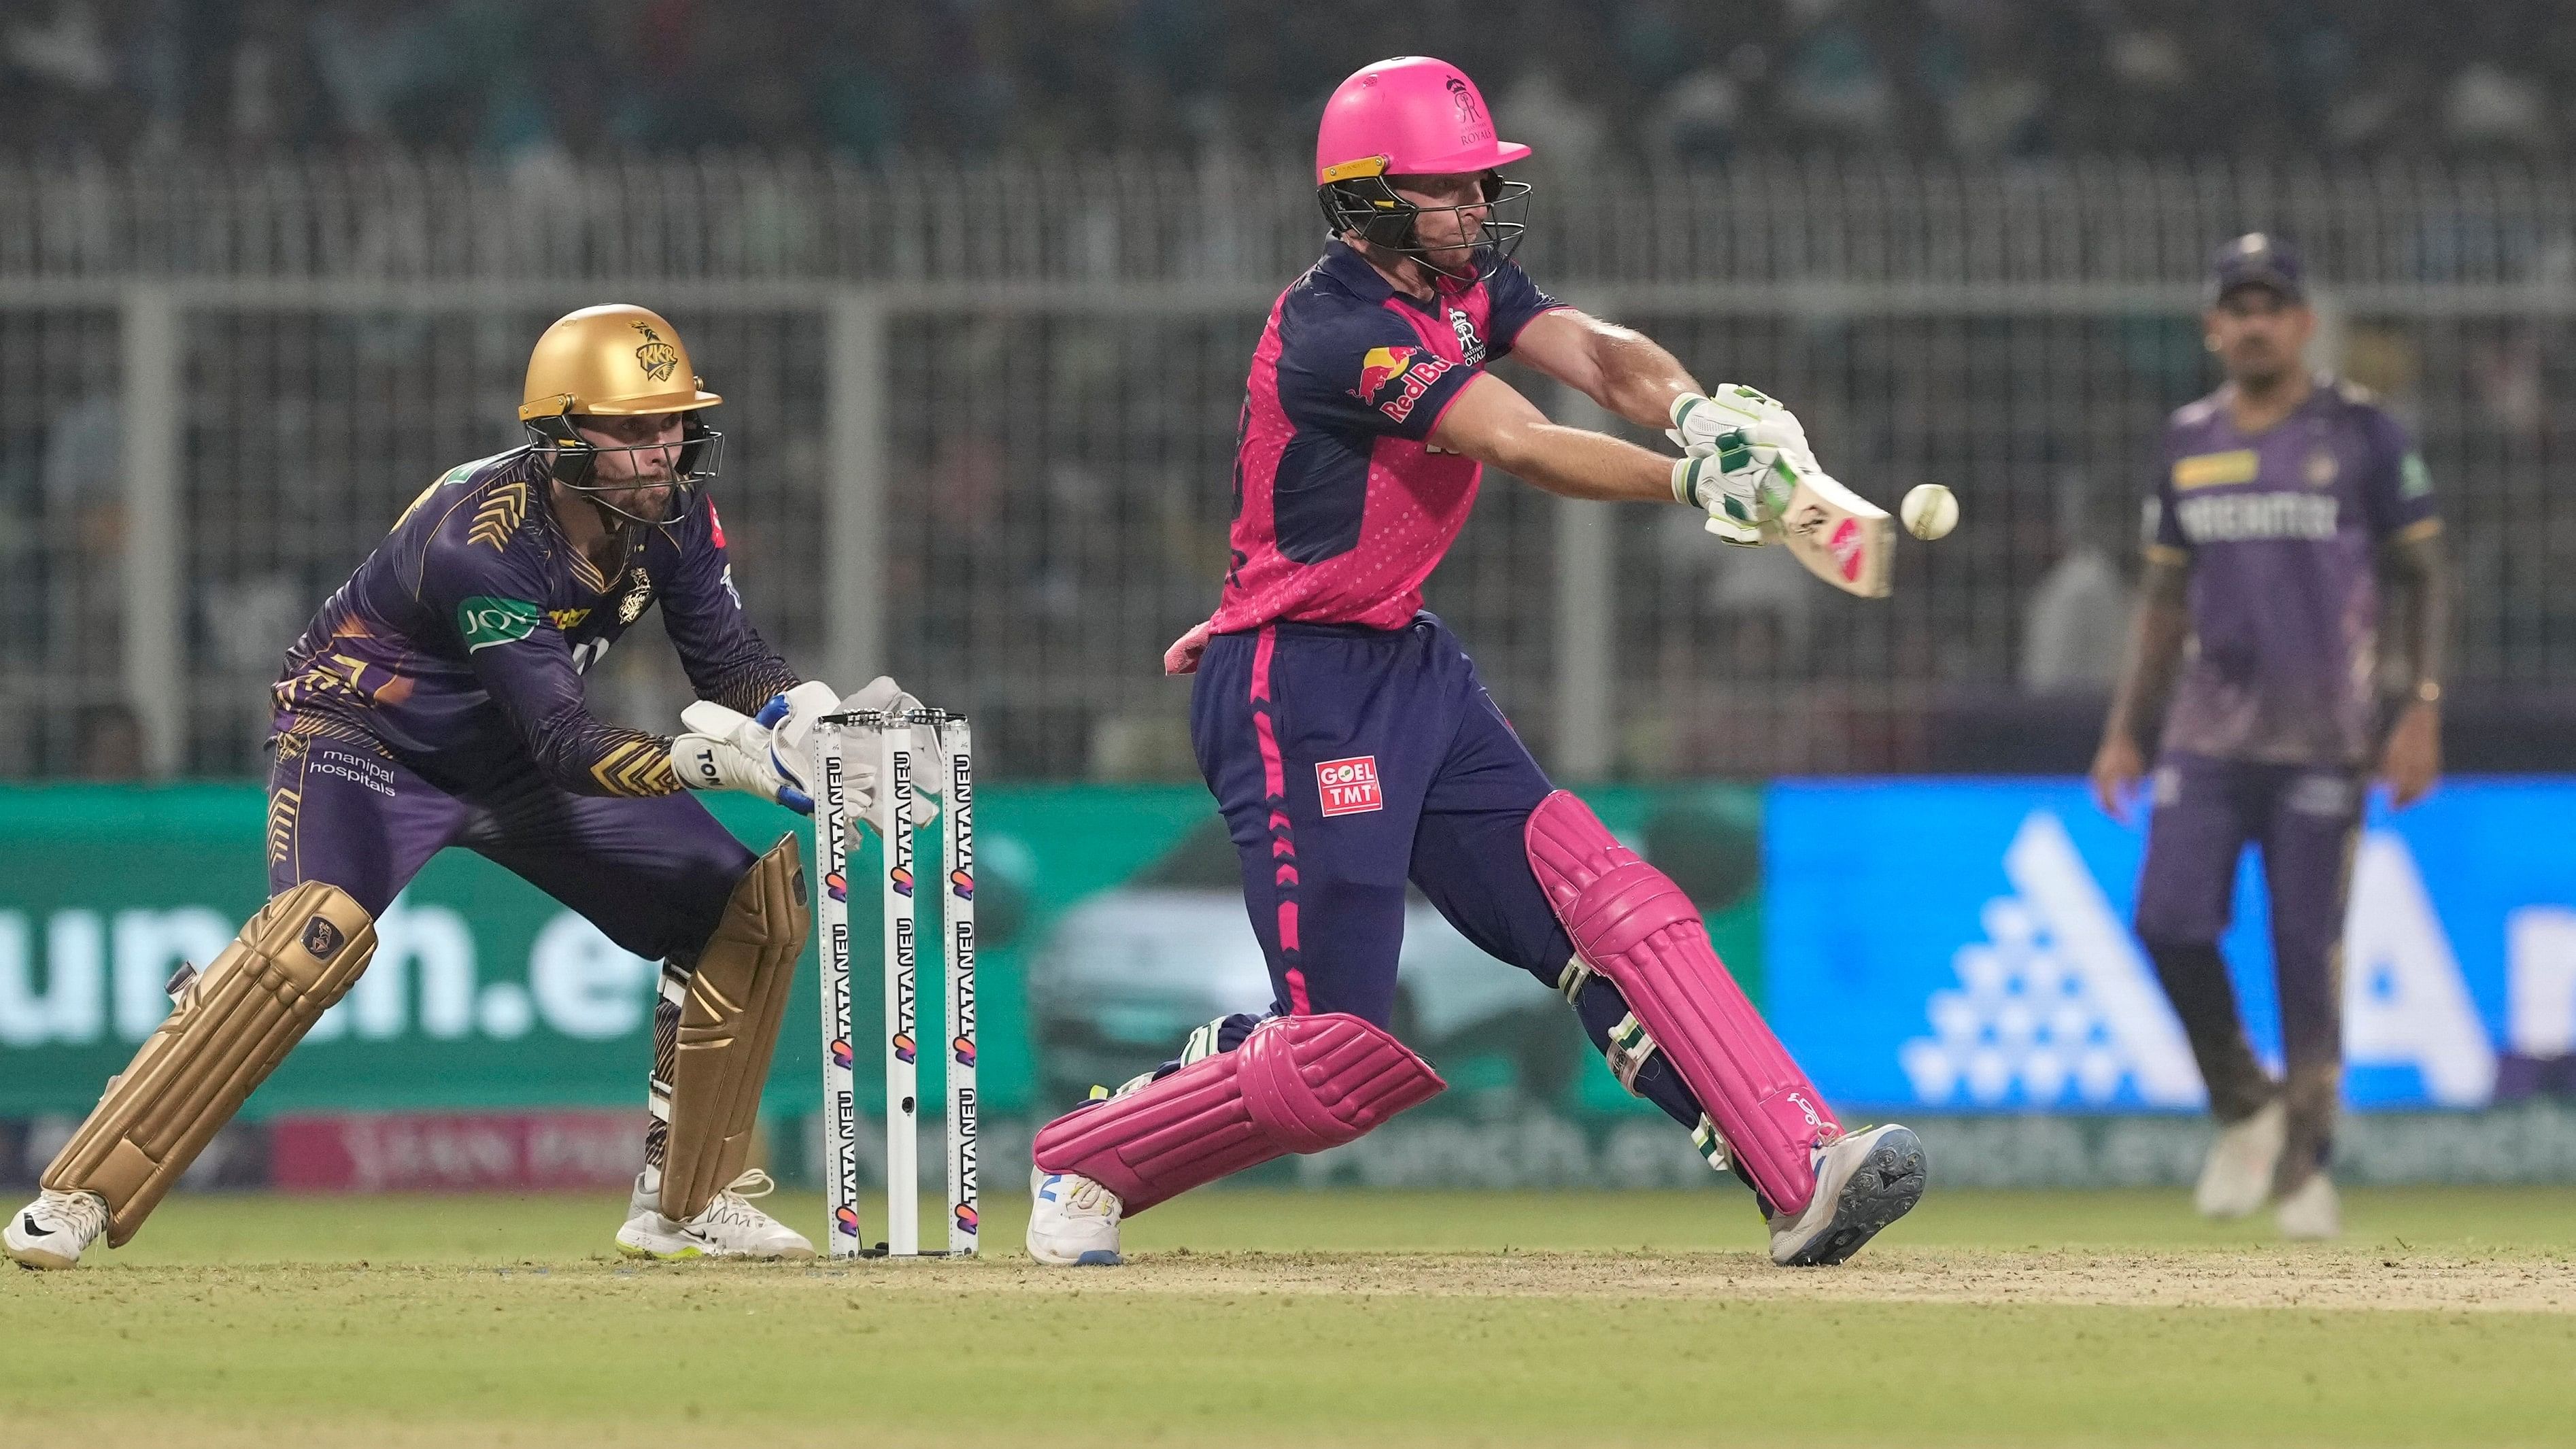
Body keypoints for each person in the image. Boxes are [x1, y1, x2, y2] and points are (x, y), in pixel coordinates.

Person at [1023, 56, 1925, 1269]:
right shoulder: (1341, 329)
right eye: (1451, 190)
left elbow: (1601, 358)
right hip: (1300, 688)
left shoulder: (1466, 283)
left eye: (1480, 185)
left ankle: (1800, 1171)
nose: (1479, 211)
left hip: (1407, 667)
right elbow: (1528, 443)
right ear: (1372, 201)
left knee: (1615, 906)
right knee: (1335, 1051)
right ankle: (1091, 1153)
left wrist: (1699, 415)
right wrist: (1693, 484)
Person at [6, 305, 919, 1269]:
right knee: (309, 942)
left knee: (746, 909)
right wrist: (726, 763)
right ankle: (78, 1194)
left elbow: (728, 659)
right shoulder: (478, 541)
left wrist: (815, 720)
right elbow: (568, 744)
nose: (663, 452)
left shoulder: (673, 512)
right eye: (634, 430)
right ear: (565, 434)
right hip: (366, 737)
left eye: (674, 425)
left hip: (510, 754)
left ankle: (684, 1200)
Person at [2090, 235, 2449, 1240]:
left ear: (2302, 323)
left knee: (2304, 952)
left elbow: (2423, 573)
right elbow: (2164, 596)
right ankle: (2246, 1105)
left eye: (2271, 306)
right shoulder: (2187, 438)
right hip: (2207, 734)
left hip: (2323, 736)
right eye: (2235, 308)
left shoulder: (2364, 433)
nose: (2253, 323)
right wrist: (2128, 730)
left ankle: (2304, 1173)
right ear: (2214, 329)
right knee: (2166, 920)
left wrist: (2418, 706)